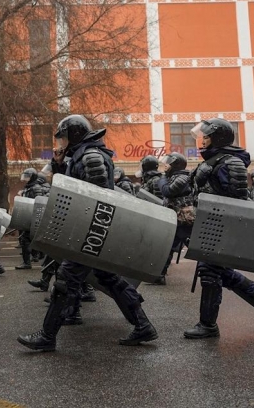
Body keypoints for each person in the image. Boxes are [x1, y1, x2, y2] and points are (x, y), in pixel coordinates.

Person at [18, 115, 157, 351]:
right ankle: (142, 325)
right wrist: (60, 165)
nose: (60, 143)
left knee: (65, 280)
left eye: (63, 138)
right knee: (108, 279)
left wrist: (86, 232)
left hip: (89, 231)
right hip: (90, 230)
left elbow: (98, 196)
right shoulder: (82, 155)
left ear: (73, 135)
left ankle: (47, 336)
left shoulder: (90, 156)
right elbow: (75, 186)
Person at [183, 119, 254, 339]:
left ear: (218, 138)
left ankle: (208, 325)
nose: (203, 139)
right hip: (210, 223)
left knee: (210, 272)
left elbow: (236, 201)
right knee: (221, 273)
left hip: (222, 226)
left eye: (207, 136)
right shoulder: (215, 159)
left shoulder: (230, 163)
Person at [154, 152, 194, 285]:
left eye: (169, 163)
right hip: (175, 218)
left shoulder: (182, 177)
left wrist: (162, 179)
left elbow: (168, 191)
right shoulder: (174, 176)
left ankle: (216, 271)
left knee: (193, 246)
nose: (166, 165)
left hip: (182, 219)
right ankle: (159, 274)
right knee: (167, 246)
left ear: (175, 165)